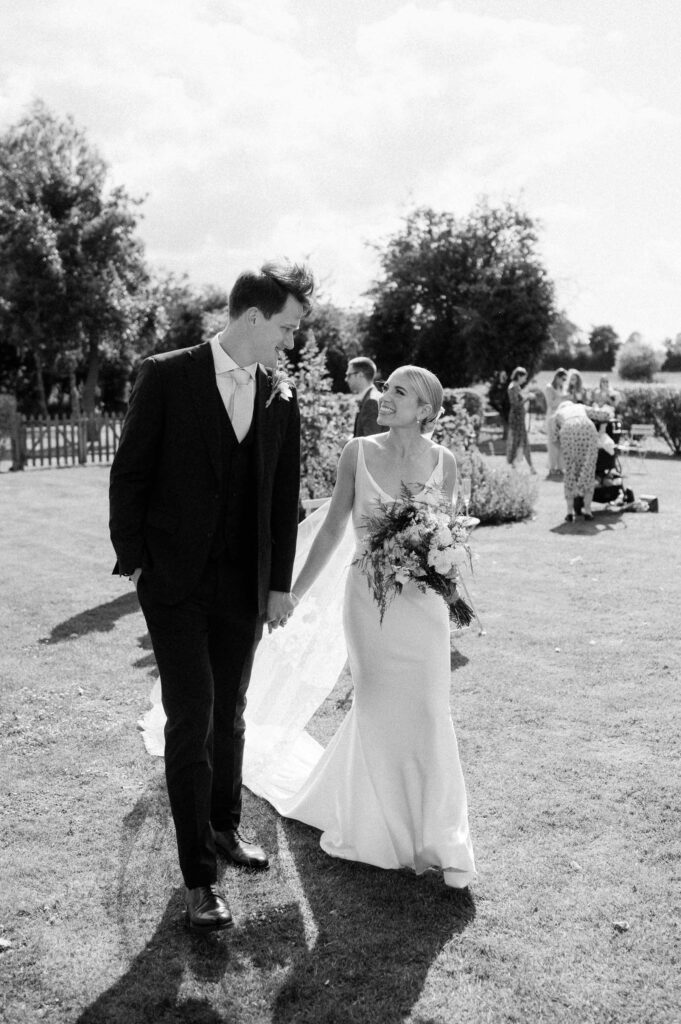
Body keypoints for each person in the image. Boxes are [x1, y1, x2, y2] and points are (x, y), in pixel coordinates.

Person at [109, 259, 314, 932]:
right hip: (173, 584)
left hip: (243, 587)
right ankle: (200, 878)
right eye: (285, 328)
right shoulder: (166, 374)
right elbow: (130, 472)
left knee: (231, 711)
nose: (289, 342)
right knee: (190, 715)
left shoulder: (280, 396)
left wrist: (278, 584)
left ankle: (224, 828)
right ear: (251, 318)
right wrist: (136, 563)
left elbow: (283, 500)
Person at [270, 365, 476, 888]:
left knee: (429, 712)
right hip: (368, 602)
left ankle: (438, 837)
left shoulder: (444, 463)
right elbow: (335, 524)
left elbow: (445, 536)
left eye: (399, 392)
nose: (385, 397)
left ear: (425, 410)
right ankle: (378, 830)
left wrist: (441, 566)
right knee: (379, 707)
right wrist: (293, 590)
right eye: (386, 388)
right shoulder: (357, 452)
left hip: (423, 611)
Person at [549, 400, 599, 521]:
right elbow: (599, 414)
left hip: (568, 430)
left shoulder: (557, 414)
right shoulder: (580, 407)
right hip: (587, 428)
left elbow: (554, 438)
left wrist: (563, 449)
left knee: (570, 471)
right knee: (588, 468)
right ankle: (587, 511)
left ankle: (569, 512)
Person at [506, 366, 536, 473]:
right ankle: (530, 467)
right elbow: (515, 404)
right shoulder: (514, 387)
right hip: (517, 419)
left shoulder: (515, 386)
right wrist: (527, 398)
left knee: (518, 441)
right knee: (521, 441)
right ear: (519, 376)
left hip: (518, 418)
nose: (525, 379)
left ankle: (517, 465)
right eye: (524, 377)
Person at [346, 356, 382, 436]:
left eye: (348, 375)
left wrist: (348, 444)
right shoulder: (375, 397)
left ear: (360, 375)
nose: (346, 379)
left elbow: (371, 443)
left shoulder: (371, 402)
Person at [544, 368, 568, 478]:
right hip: (552, 417)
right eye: (562, 379)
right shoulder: (549, 387)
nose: (563, 381)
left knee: (561, 444)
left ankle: (560, 467)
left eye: (565, 379)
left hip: (561, 417)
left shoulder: (561, 387)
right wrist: (562, 398)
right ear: (557, 377)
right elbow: (551, 404)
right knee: (552, 443)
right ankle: (552, 467)